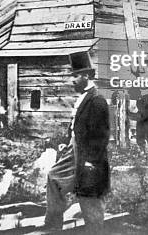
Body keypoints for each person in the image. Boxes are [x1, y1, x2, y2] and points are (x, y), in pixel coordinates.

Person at [44, 67, 110, 232]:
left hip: (89, 155)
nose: (71, 80)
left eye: (75, 76)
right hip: (74, 149)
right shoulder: (83, 97)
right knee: (54, 178)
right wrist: (67, 141)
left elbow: (101, 135)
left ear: (86, 76)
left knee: (90, 197)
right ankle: (53, 228)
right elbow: (77, 125)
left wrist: (91, 161)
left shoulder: (97, 100)